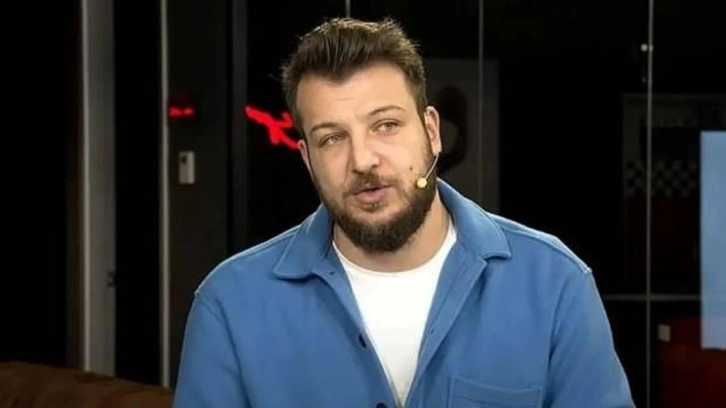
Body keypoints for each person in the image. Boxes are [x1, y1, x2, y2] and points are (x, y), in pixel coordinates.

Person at [173, 17, 633, 408]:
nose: (363, 160)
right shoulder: (230, 305)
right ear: (308, 160)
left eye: (386, 125)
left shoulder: (554, 285)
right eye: (332, 138)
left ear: (432, 132)